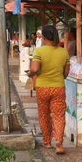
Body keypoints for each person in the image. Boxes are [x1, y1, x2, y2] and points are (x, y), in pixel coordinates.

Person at [27, 25, 70, 154]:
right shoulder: (63, 52)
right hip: (58, 88)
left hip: (42, 88)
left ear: (43, 37)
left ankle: (47, 142)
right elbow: (66, 73)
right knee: (58, 115)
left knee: (44, 115)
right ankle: (59, 144)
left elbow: (34, 69)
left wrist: (30, 74)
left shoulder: (39, 52)